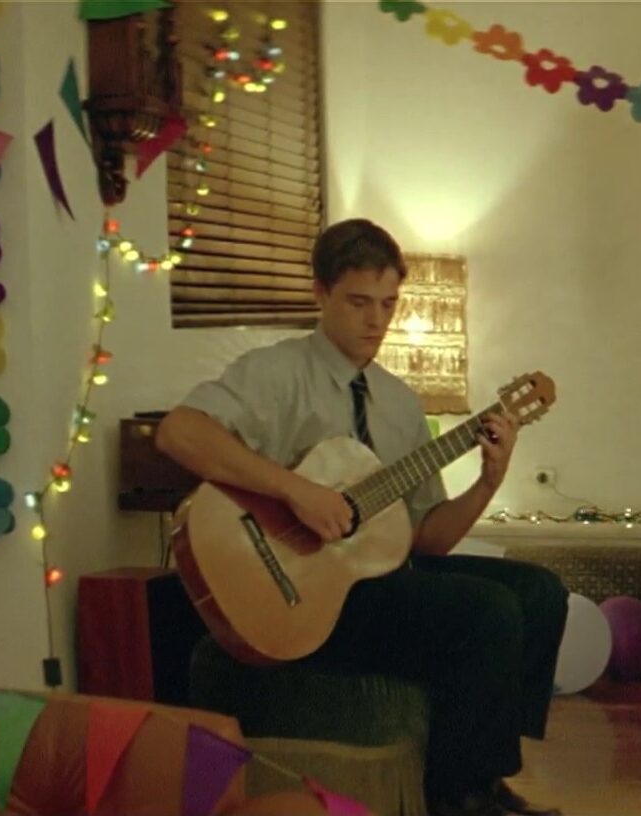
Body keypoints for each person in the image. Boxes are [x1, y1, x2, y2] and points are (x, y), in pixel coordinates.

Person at [156, 219, 567, 816]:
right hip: (297, 594)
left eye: (388, 304)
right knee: (489, 613)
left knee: (539, 592)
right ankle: (458, 800)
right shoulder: (277, 373)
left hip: (372, 582)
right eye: (358, 303)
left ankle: (477, 775)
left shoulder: (399, 403)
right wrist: (295, 490)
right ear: (320, 293)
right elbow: (179, 433)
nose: (377, 321)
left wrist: (488, 480)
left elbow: (428, 540)